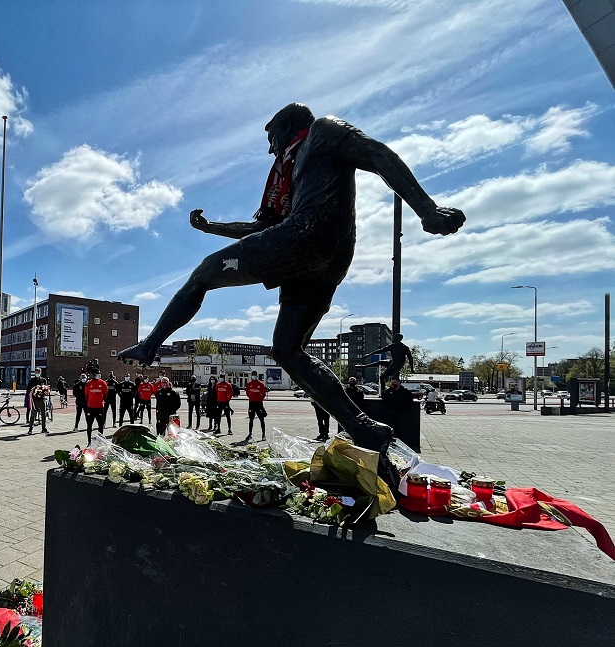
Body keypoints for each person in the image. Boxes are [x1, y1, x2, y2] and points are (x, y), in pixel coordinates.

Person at [118, 102, 465, 459]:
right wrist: (211, 227)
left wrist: (427, 208)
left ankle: (151, 344)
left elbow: (376, 154)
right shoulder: (287, 173)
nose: (270, 148)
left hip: (306, 236)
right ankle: (363, 427)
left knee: (204, 273)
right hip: (323, 258)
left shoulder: (323, 131)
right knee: (286, 348)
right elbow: (260, 228)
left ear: (287, 126)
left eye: (271, 137)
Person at [381, 377, 415, 443]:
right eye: (392, 383)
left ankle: (402, 442)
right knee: (391, 429)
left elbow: (410, 401)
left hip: (401, 414)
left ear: (399, 383)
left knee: (401, 429)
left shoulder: (405, 392)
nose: (393, 384)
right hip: (391, 414)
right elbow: (385, 401)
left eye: (395, 383)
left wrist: (404, 409)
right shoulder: (388, 392)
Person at [84, 372, 108, 445]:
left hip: (99, 407)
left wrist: (100, 400)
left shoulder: (103, 383)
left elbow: (105, 394)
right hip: (90, 407)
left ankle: (100, 441)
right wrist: (91, 401)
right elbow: (86, 395)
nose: (99, 375)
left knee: (100, 425)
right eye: (97, 374)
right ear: (94, 375)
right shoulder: (89, 383)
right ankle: (89, 441)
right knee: (89, 425)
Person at [27, 368, 51, 435]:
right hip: (34, 400)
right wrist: (34, 391)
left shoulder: (43, 380)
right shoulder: (32, 380)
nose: (37, 373)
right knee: (33, 414)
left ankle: (44, 428)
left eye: (39, 372)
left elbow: (46, 388)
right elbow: (29, 389)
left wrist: (45, 391)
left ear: (40, 372)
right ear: (35, 372)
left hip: (42, 399)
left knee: (43, 414)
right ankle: (30, 429)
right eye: (36, 372)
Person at [245, 371, 268, 440]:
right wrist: (251, 398)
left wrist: (259, 399)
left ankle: (263, 434)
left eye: (255, 375)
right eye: (253, 375)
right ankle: (250, 433)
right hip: (251, 403)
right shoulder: (249, 384)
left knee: (261, 419)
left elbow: (263, 394)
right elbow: (247, 393)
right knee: (251, 419)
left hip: (259, 403)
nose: (254, 376)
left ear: (257, 376)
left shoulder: (261, 384)